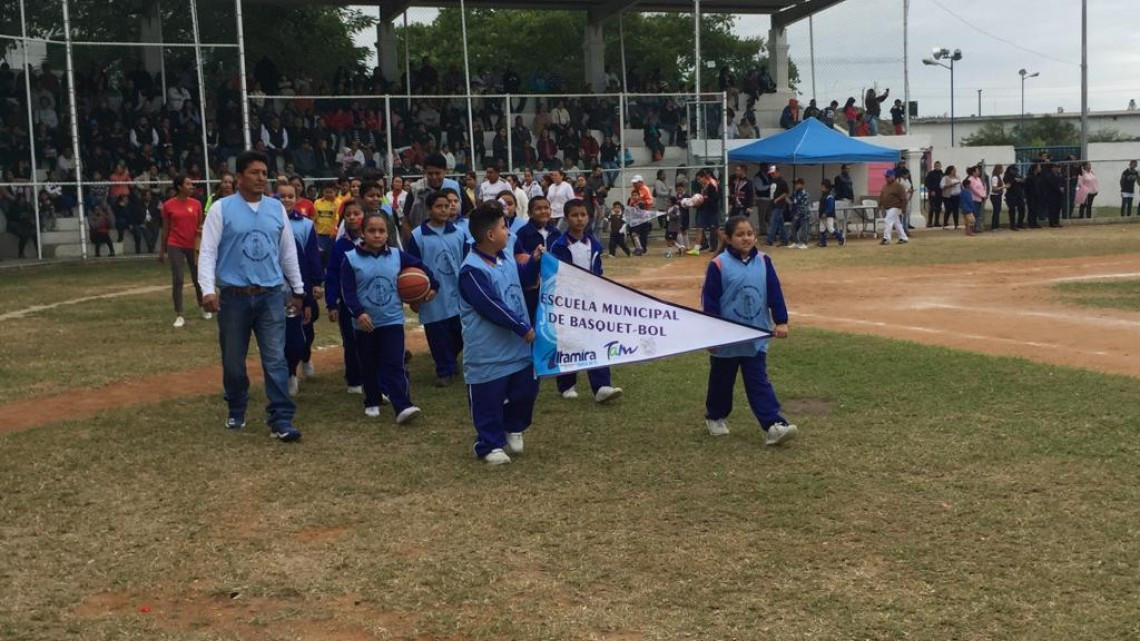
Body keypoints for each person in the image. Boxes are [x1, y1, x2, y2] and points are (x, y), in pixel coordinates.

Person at [197, 150, 305, 441]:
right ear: (240, 176)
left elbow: (287, 252)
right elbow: (207, 252)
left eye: (264, 172)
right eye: (255, 173)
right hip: (234, 297)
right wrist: (208, 290)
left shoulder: (276, 208)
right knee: (233, 361)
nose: (261, 178)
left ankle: (281, 418)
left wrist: (298, 289)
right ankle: (236, 406)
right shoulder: (221, 209)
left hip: (271, 295)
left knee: (275, 360)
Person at [459, 202, 545, 465]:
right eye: (503, 227)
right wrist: (523, 327)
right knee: (488, 400)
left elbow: (521, 278)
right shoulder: (471, 271)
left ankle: (513, 426)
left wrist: (534, 263)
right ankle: (488, 444)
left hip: (517, 348)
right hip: (488, 352)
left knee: (526, 389)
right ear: (490, 235)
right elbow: (491, 306)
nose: (508, 231)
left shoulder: (505, 255)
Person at [700, 216, 797, 445]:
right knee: (721, 382)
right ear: (728, 238)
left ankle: (773, 425)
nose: (746, 238)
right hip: (727, 338)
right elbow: (710, 301)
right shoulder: (718, 265)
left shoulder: (764, 261)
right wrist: (711, 335)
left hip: (756, 335)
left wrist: (781, 321)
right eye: (740, 234)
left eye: (750, 233)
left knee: (758, 381)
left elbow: (774, 291)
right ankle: (715, 416)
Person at [342, 211, 435, 423]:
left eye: (382, 231)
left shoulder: (396, 255)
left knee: (395, 363)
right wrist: (359, 312)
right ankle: (372, 400)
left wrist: (433, 287)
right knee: (369, 363)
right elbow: (347, 291)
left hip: (392, 320)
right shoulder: (351, 259)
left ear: (388, 234)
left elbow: (423, 269)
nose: (377, 235)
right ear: (362, 233)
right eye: (372, 231)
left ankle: (403, 405)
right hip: (365, 324)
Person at [549, 199, 624, 403]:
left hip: (591, 302)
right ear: (566, 218)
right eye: (575, 215)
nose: (580, 219)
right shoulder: (559, 245)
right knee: (569, 341)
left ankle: (601, 385)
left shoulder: (594, 245)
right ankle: (567, 384)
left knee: (596, 339)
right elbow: (556, 274)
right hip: (568, 303)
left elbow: (598, 271)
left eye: (583, 214)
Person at [406, 191, 468, 387]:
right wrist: (415, 296)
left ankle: (450, 360)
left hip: (457, 290)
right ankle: (445, 370)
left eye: (447, 205)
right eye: (439, 206)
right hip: (431, 294)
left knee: (460, 333)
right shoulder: (418, 235)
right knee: (437, 334)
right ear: (429, 209)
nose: (444, 209)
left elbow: (467, 260)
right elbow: (412, 266)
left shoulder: (459, 232)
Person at [278, 182, 324, 396]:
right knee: (285, 333)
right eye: (282, 196)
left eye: (290, 196)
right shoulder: (271, 223)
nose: (286, 200)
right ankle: (289, 373)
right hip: (276, 289)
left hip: (300, 285)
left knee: (306, 326)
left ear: (297, 199)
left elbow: (312, 257)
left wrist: (314, 283)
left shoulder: (304, 225)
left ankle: (305, 356)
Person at [324, 199, 367, 395]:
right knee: (351, 342)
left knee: (373, 340)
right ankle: (354, 379)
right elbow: (332, 274)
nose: (352, 217)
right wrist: (332, 303)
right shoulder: (340, 245)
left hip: (371, 300)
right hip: (348, 303)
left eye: (356, 213)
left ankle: (375, 377)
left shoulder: (374, 240)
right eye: (348, 214)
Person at [159, 174, 207, 327]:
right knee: (178, 279)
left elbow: (200, 225)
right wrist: (162, 250)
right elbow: (165, 228)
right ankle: (179, 314)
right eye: (188, 184)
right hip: (175, 244)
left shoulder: (197, 204)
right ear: (179, 187)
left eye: (192, 184)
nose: (192, 186)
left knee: (197, 278)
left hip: (192, 244)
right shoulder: (168, 205)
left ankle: (203, 305)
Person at [513, 195, 561, 323]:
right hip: (531, 287)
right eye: (538, 209)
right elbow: (518, 256)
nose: (543, 211)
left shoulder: (556, 233)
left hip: (552, 284)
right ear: (530, 213)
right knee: (532, 317)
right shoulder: (522, 233)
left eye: (546, 208)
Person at [402, 153, 461, 247]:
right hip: (422, 242)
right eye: (430, 173)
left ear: (445, 171)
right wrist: (413, 242)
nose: (434, 177)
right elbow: (405, 220)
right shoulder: (415, 189)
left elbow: (467, 214)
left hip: (451, 242)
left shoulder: (455, 187)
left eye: (437, 173)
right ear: (424, 171)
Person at [878, 169, 909, 245]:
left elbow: (903, 198)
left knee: (888, 220)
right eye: (885, 176)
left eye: (888, 176)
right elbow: (881, 196)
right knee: (896, 223)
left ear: (893, 176)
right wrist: (879, 205)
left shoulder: (898, 186)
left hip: (896, 207)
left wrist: (903, 209)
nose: (886, 178)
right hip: (887, 207)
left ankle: (886, 238)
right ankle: (903, 238)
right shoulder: (885, 186)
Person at [312, 181, 340, 264]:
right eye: (326, 192)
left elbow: (337, 218)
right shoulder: (317, 202)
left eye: (330, 192)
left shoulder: (338, 203)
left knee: (331, 256)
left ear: (335, 192)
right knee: (320, 256)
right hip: (320, 234)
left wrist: (334, 232)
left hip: (332, 235)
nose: (328, 194)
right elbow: (314, 217)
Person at [627, 174, 655, 255]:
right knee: (633, 231)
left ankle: (643, 249)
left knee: (643, 233)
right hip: (635, 215)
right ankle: (638, 247)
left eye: (636, 183)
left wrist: (642, 202)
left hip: (644, 214)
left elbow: (650, 201)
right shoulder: (634, 190)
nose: (634, 184)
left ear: (641, 182)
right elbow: (631, 201)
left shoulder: (645, 189)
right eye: (634, 183)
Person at [765, 166, 790, 247]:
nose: (772, 175)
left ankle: (769, 240)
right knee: (780, 224)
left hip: (779, 205)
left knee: (773, 222)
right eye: (771, 174)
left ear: (778, 172)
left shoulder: (782, 182)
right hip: (773, 204)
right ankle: (784, 240)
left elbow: (786, 193)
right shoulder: (772, 181)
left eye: (773, 173)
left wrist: (778, 199)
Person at [816, 179, 844, 247]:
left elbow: (830, 207)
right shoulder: (823, 196)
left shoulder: (830, 196)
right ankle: (823, 242)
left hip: (829, 215)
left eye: (823, 187)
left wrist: (825, 213)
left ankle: (840, 238)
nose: (821, 188)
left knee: (830, 228)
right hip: (822, 215)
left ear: (827, 188)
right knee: (821, 228)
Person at [789, 177, 811, 249]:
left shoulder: (804, 194)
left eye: (797, 184)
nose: (796, 185)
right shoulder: (795, 193)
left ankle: (805, 243)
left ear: (802, 185)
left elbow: (803, 205)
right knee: (793, 227)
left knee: (804, 228)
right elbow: (791, 201)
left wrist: (798, 214)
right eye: (795, 184)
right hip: (796, 213)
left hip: (803, 214)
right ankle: (795, 242)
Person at [1003, 164, 1025, 231]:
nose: (1015, 171)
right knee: (1012, 210)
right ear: (1010, 170)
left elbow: (1023, 183)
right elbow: (1008, 184)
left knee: (1022, 209)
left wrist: (1021, 181)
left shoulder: (1018, 175)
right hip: (1011, 195)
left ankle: (1020, 223)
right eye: (1013, 170)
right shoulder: (1006, 176)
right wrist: (1014, 180)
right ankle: (1012, 225)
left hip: (1019, 195)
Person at [924, 161, 944, 228]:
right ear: (934, 166)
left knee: (938, 208)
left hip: (940, 193)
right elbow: (927, 182)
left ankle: (936, 222)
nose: (937, 166)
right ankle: (929, 222)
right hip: (932, 193)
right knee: (932, 208)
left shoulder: (942, 174)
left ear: (941, 166)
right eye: (936, 165)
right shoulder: (931, 173)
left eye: (939, 165)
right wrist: (931, 190)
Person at [989, 165, 1006, 230]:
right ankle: (993, 226)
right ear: (998, 169)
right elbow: (994, 188)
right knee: (996, 211)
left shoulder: (998, 177)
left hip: (998, 195)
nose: (1002, 170)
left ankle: (997, 226)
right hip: (994, 196)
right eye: (1001, 169)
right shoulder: (995, 178)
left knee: (998, 210)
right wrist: (1003, 187)